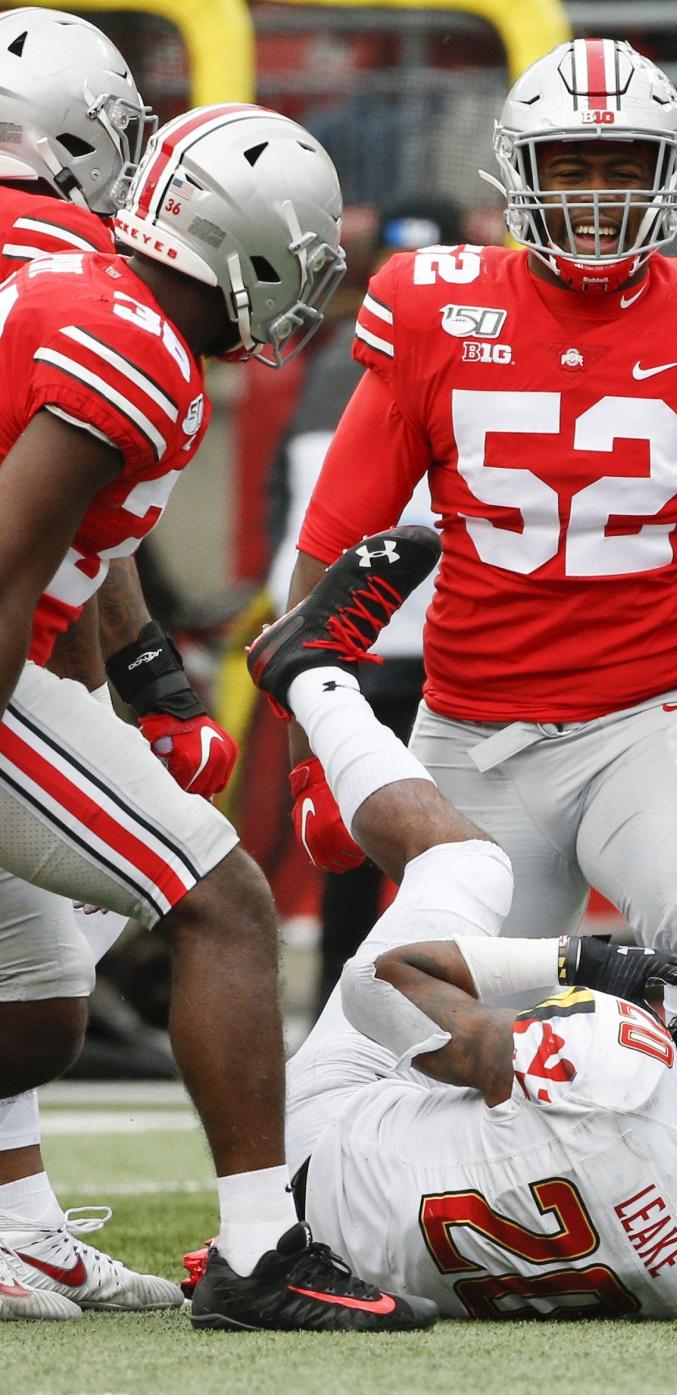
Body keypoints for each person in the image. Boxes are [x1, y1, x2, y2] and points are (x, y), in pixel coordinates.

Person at [285, 38, 677, 975]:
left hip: (661, 719)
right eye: (571, 168)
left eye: (621, 167)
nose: (597, 196)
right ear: (521, 176)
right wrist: (315, 749)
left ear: (667, 174)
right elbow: (331, 547)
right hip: (473, 727)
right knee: (437, 1014)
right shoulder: (435, 306)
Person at [210, 526, 677, 1320]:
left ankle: (310, 673)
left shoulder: (622, 1060)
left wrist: (583, 963)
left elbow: (381, 985)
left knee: (472, 865)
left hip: (314, 1175)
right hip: (402, 1263)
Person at [0, 101, 436, 1333]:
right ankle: (262, 1252)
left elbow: (65, 568)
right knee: (225, 900)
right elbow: (8, 564)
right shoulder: (128, 342)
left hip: (25, 652)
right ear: (243, 245)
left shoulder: (93, 294)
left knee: (30, 1007)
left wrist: (130, 705)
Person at [0, 4, 210, 1320]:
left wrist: (144, 682)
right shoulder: (96, 298)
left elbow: (58, 522)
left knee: (33, 981)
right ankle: (265, 1239)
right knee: (216, 897)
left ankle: (20, 1219)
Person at [268, 195, 462, 1009]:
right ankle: (343, 1006)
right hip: (358, 638)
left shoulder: (474, 357)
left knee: (450, 849)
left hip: (453, 646)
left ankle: (431, 1003)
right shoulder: (335, 365)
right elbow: (300, 512)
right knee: (354, 841)